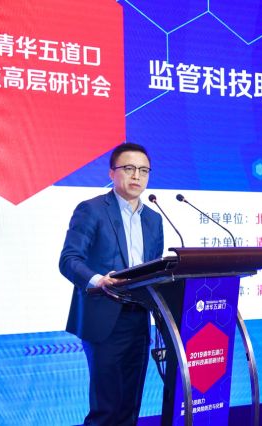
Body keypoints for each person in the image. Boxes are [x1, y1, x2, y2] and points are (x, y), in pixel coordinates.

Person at [59, 142, 164, 426]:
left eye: (144, 170)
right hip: (104, 317)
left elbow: (154, 268)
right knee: (106, 409)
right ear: (112, 172)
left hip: (139, 318)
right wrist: (99, 280)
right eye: (129, 168)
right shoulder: (92, 210)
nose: (136, 176)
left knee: (130, 407)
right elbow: (69, 260)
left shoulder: (154, 219)